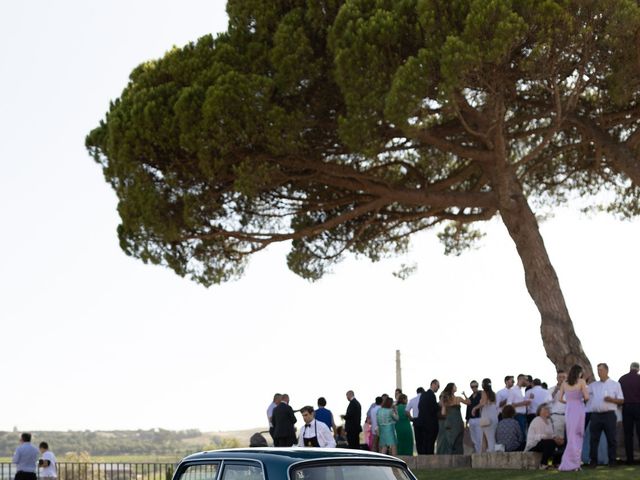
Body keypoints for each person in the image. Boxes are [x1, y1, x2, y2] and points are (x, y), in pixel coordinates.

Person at [587, 363, 624, 467]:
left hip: (609, 415)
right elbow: (583, 393)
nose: (599, 372)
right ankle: (593, 461)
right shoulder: (593, 385)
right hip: (595, 415)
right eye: (598, 370)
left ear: (607, 371)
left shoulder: (615, 384)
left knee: (611, 439)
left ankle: (612, 461)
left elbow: (621, 400)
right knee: (594, 439)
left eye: (601, 370)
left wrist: (611, 400)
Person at [558, 364, 589, 471]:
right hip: (579, 409)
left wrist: (569, 402)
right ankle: (575, 463)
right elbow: (586, 397)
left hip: (569, 409)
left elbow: (560, 399)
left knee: (571, 436)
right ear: (579, 372)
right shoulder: (581, 382)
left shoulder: (564, 383)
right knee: (578, 435)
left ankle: (570, 463)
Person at [525, 404, 564, 469]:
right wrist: (553, 438)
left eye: (548, 409)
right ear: (539, 411)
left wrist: (558, 439)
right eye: (545, 409)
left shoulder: (549, 421)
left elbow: (551, 435)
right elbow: (539, 437)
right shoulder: (537, 419)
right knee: (550, 443)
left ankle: (554, 463)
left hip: (545, 443)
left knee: (560, 443)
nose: (548, 410)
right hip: (533, 445)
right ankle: (543, 464)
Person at [436, 383, 468, 455]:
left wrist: (464, 394)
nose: (456, 387)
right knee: (451, 437)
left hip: (455, 420)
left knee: (456, 437)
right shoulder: (446, 397)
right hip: (452, 420)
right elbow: (442, 408)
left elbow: (468, 402)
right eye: (454, 386)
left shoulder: (457, 398)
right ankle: (450, 454)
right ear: (451, 388)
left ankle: (454, 454)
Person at [619, 361, 640, 464]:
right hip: (638, 407)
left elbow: (618, 394)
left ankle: (630, 460)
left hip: (626, 407)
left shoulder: (622, 379)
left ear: (630, 368)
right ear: (638, 369)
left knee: (628, 434)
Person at [472, 378, 499, 452]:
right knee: (486, 438)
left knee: (490, 439)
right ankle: (483, 454)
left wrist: (475, 408)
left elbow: (483, 403)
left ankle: (491, 455)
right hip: (494, 418)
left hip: (487, 419)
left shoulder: (484, 392)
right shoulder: (494, 394)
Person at [416, 379, 440, 454]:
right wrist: (439, 405)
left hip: (423, 423)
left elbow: (420, 407)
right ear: (433, 384)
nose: (438, 388)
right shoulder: (431, 395)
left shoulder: (423, 394)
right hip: (430, 423)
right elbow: (433, 408)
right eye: (438, 386)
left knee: (425, 442)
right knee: (430, 442)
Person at [549, 370, 567, 440]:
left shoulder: (570, 389)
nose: (562, 379)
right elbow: (548, 402)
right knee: (558, 437)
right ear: (557, 378)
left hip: (569, 416)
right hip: (557, 416)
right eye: (560, 377)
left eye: (564, 377)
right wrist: (555, 391)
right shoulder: (551, 389)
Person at [466, 380, 483, 453]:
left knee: (480, 437)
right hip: (471, 420)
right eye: (472, 386)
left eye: (476, 386)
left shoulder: (481, 395)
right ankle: (477, 452)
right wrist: (467, 420)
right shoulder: (470, 397)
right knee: (474, 439)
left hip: (479, 418)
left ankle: (481, 453)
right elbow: (468, 408)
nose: (474, 388)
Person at [406, 387, 424, 453]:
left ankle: (419, 452)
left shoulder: (412, 400)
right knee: (424, 438)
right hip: (424, 420)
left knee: (418, 438)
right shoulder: (424, 399)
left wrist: (411, 418)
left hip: (416, 420)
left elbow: (407, 411)